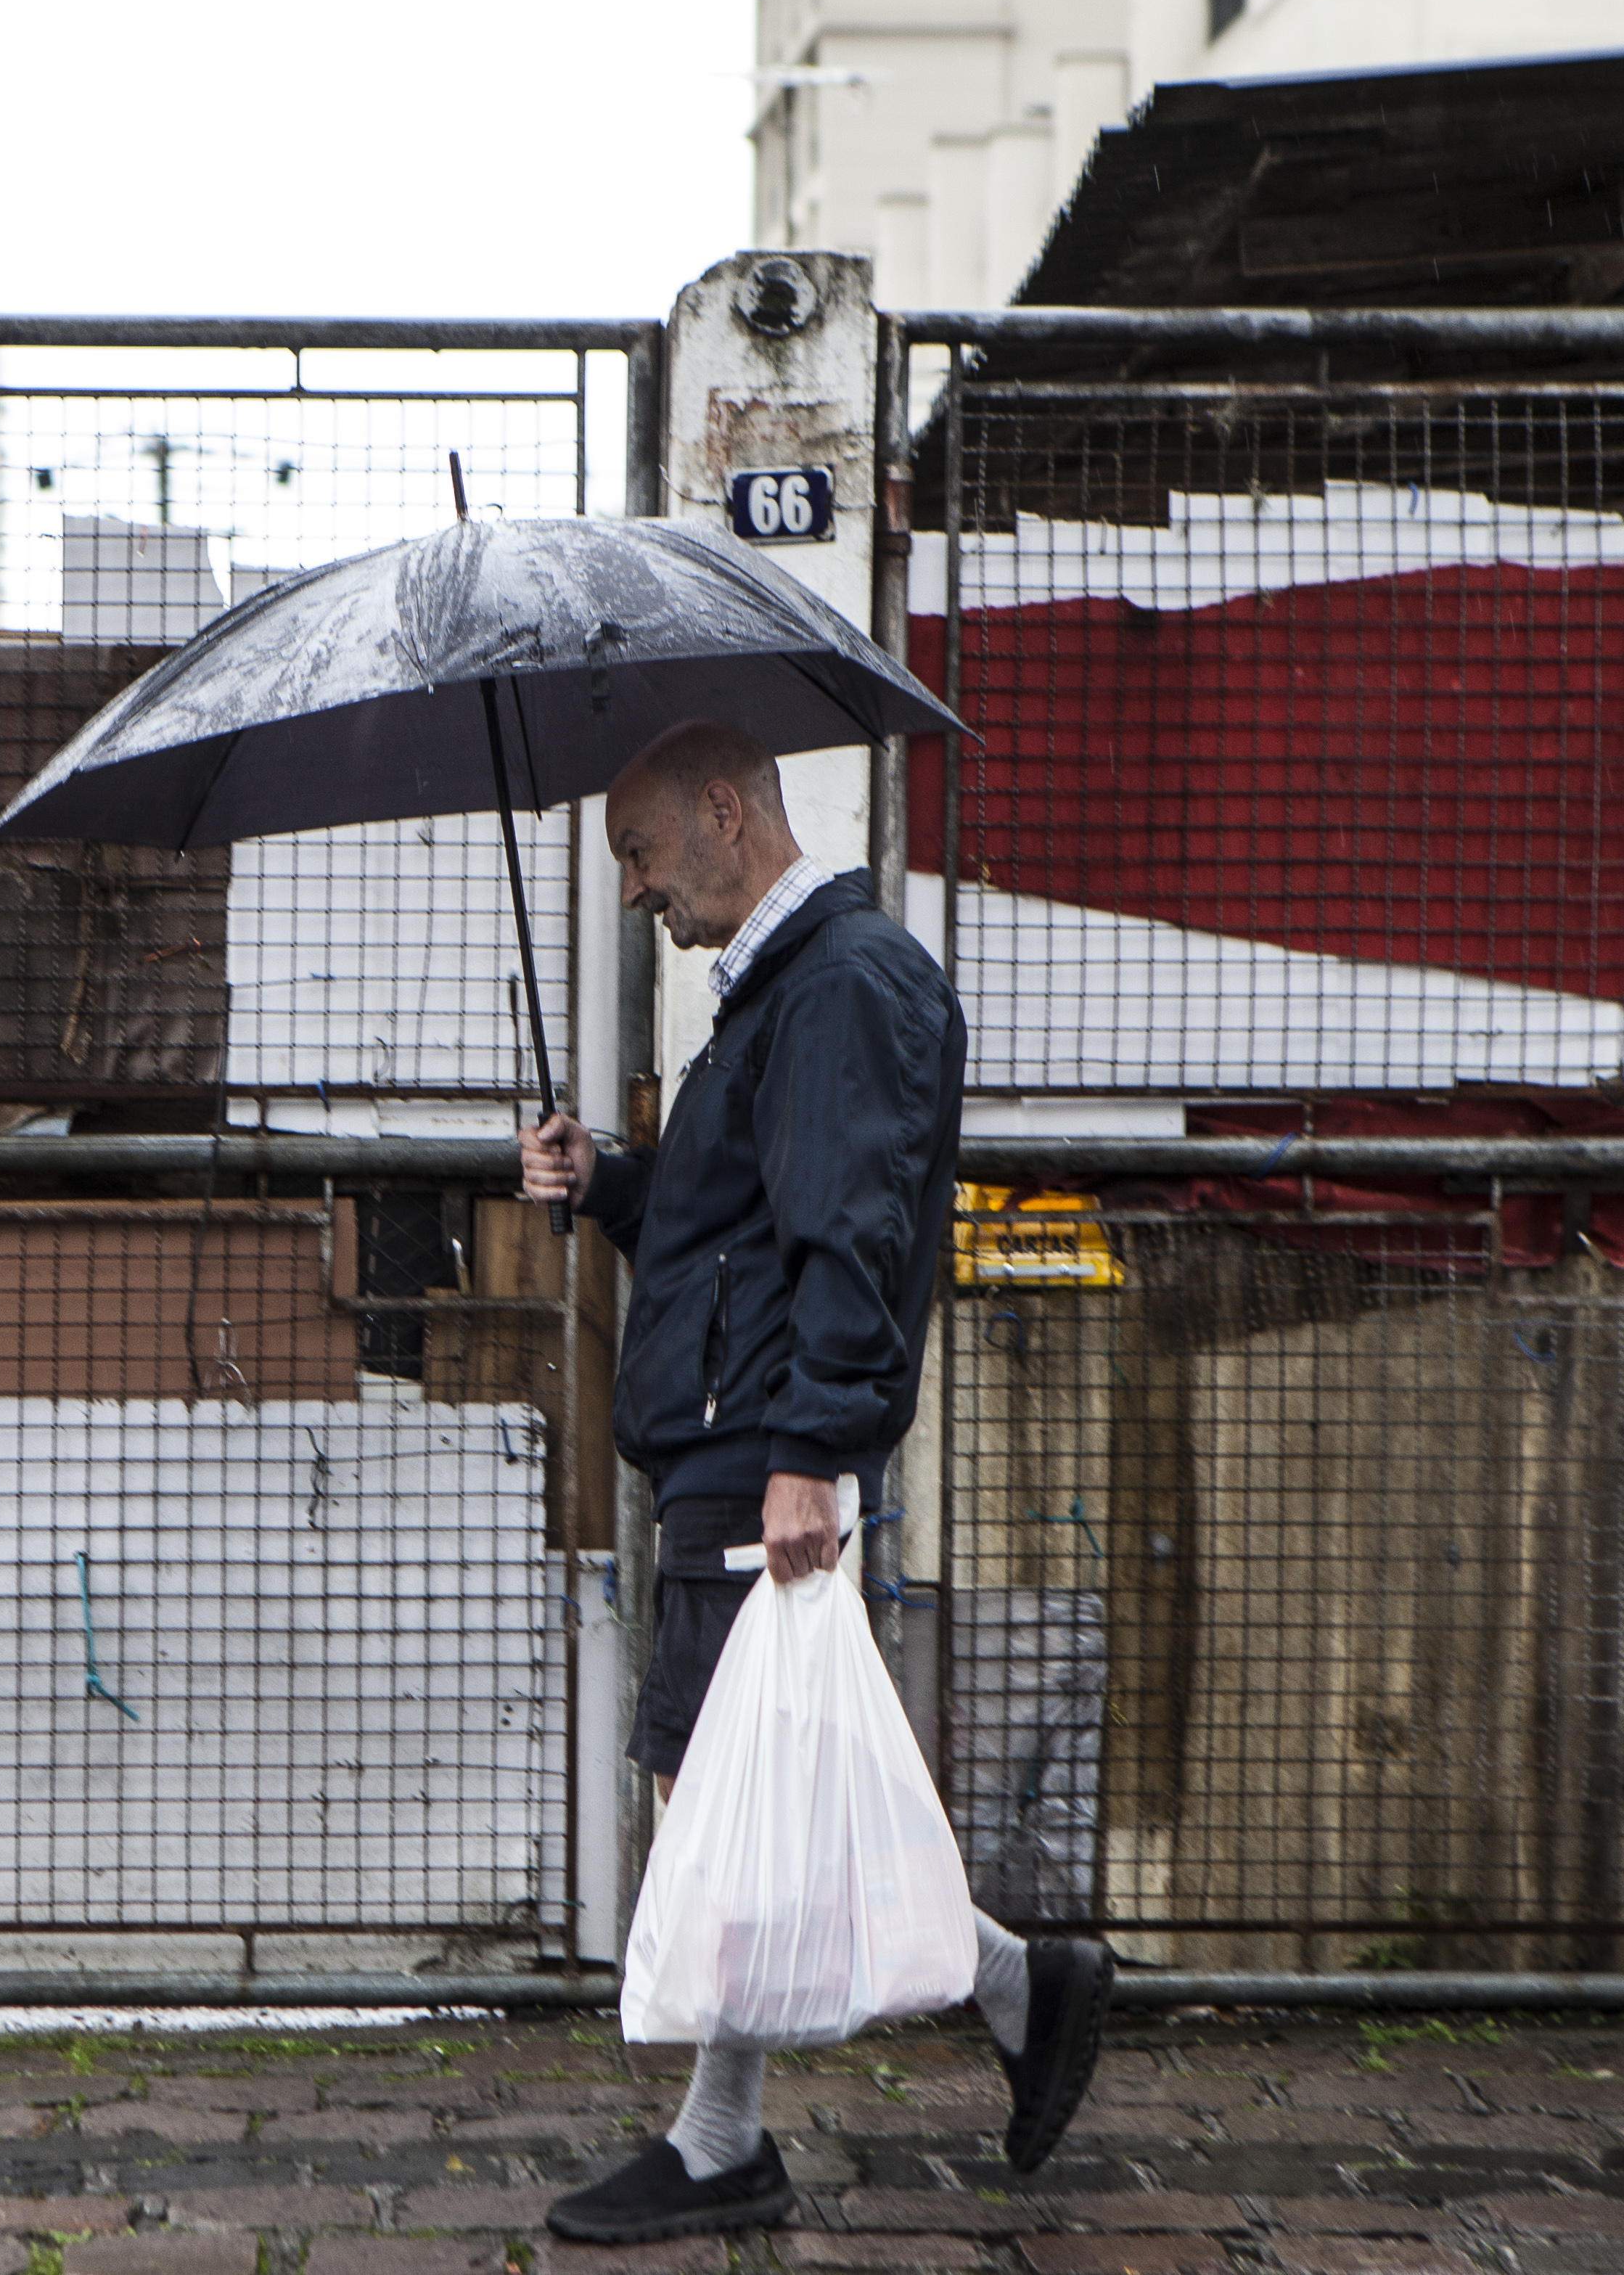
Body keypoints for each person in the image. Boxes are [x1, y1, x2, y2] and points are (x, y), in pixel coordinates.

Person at [519, 719, 1112, 2246]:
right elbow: (740, 1234)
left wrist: (808, 1453)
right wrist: (614, 1185)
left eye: (644, 854)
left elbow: (848, 1230)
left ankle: (742, 2131)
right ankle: (998, 1992)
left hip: (757, 1450)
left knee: (716, 1790)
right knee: (738, 1786)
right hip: (738, 1435)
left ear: (726, 812)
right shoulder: (786, 992)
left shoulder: (840, 988)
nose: (640, 891)